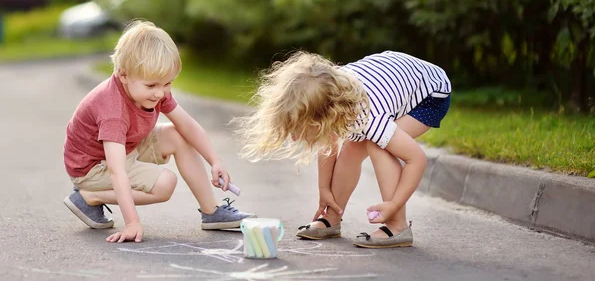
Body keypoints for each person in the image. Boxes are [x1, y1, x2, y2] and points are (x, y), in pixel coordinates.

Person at [63, 20, 255, 243]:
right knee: (165, 184)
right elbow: (117, 171)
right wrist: (132, 222)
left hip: (125, 146)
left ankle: (211, 211)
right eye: (152, 86)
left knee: (176, 134)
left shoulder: (152, 88)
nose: (160, 93)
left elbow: (187, 124)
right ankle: (89, 196)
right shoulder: (112, 111)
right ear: (123, 75)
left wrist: (215, 160)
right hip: (92, 167)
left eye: (168, 84)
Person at [238, 50, 451, 248]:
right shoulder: (329, 96)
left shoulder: (368, 117)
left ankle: (398, 226)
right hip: (391, 81)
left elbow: (417, 159)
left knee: (378, 145)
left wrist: (394, 204)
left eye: (298, 129)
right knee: (351, 149)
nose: (293, 137)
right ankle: (332, 217)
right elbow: (328, 142)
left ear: (322, 120)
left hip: (430, 95)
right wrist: (324, 190)